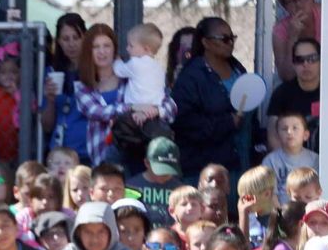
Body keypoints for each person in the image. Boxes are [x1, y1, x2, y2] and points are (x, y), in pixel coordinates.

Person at [75, 24, 176, 167]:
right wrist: (133, 107)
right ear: (88, 52)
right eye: (95, 47)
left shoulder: (133, 76)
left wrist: (155, 110)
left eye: (106, 46)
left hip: (137, 155)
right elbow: (96, 112)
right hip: (103, 161)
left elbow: (170, 106)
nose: (102, 51)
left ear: (114, 49)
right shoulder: (83, 87)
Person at [171, 17, 248, 182]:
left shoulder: (238, 69)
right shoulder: (191, 76)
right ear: (205, 42)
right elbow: (184, 122)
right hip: (203, 169)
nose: (230, 43)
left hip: (239, 162)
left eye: (232, 38)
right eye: (224, 39)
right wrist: (227, 123)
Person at [266, 38, 328, 155]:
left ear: (321, 61)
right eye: (300, 60)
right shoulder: (281, 94)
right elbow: (273, 138)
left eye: (312, 59)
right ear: (293, 64)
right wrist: (290, 164)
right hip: (290, 165)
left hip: (327, 163)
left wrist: (326, 164)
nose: (306, 64)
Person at [42, 12, 89, 160]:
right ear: (59, 42)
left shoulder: (96, 71)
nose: (71, 44)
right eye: (66, 39)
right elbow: (47, 127)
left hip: (88, 151)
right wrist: (49, 100)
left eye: (76, 37)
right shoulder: (51, 72)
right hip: (59, 153)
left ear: (85, 38)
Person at [261, 112, 319, 203]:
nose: (289, 132)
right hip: (283, 213)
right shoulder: (270, 161)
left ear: (306, 135)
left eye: (295, 128)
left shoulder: (316, 160)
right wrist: (279, 215)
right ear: (277, 135)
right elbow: (271, 195)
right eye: (284, 129)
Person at [125, 137, 183, 228]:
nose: (165, 174)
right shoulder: (132, 186)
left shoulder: (180, 189)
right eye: (160, 170)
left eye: (169, 170)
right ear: (147, 163)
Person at [112, 23, 165, 119]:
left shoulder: (135, 64)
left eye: (131, 46)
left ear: (146, 49)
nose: (127, 49)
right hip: (154, 111)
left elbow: (118, 70)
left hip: (136, 108)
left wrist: (117, 60)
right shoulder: (159, 67)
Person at [272, 0, 319, 82]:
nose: (298, 5)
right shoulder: (280, 30)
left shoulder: (324, 17)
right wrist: (292, 37)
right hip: (298, 83)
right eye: (291, 1)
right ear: (285, 7)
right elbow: (286, 76)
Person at [237, 165, 277, 248]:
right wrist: (243, 215)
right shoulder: (248, 219)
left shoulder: (279, 220)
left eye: (248, 198)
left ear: (267, 194)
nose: (244, 202)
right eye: (242, 198)